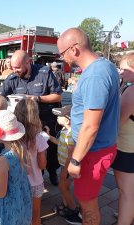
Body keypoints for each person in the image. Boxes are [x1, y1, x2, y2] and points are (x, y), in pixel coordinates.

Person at [0, 50, 63, 186]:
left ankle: (51, 172)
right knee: (33, 153)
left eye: (17, 67)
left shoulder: (44, 73)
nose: (14, 71)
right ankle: (35, 178)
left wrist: (37, 98)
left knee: (49, 152)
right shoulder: (12, 78)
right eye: (13, 67)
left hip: (44, 122)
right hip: (22, 124)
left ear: (28, 62)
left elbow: (58, 96)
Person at [57, 28, 120, 225]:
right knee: (80, 195)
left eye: (62, 53)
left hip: (91, 152)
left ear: (74, 49)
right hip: (90, 148)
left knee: (88, 205)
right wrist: (74, 107)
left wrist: (75, 161)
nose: (62, 58)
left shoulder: (94, 76)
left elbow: (91, 126)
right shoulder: (103, 67)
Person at [14, 98, 48, 225]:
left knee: (20, 212)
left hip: (18, 182)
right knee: (35, 214)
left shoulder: (13, 139)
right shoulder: (39, 138)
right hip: (35, 183)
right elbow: (42, 165)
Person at [46, 105, 82, 224]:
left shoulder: (70, 134)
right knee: (64, 187)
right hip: (64, 165)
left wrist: (64, 172)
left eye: (59, 116)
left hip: (67, 167)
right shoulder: (65, 130)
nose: (57, 118)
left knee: (63, 186)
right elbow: (59, 142)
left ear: (67, 120)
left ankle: (72, 210)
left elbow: (70, 155)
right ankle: (66, 204)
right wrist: (49, 136)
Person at [111, 52, 134, 225]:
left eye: (124, 69)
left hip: (127, 148)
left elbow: (117, 122)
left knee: (126, 192)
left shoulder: (131, 90)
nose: (120, 72)